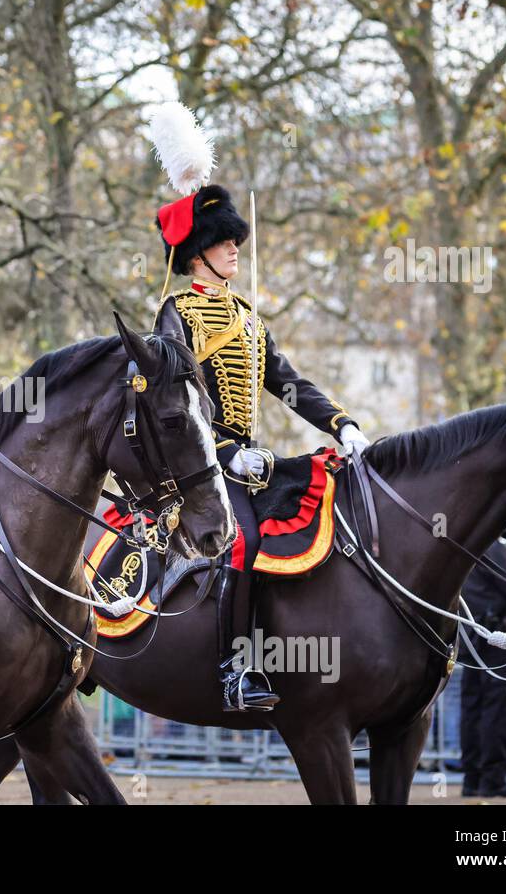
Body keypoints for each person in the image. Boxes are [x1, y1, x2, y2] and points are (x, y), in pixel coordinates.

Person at [153, 184, 368, 712]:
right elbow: (178, 403)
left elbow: (288, 383)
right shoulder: (174, 314)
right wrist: (224, 454)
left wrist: (342, 425)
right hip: (201, 466)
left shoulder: (248, 316)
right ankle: (234, 668)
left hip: (255, 461)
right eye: (223, 242)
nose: (234, 251)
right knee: (242, 541)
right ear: (195, 252)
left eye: (234, 241)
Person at [458, 526, 506, 797]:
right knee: (497, 708)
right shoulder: (493, 545)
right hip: (496, 638)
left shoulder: (467, 542)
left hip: (471, 636)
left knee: (473, 707)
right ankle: (493, 779)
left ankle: (472, 779)